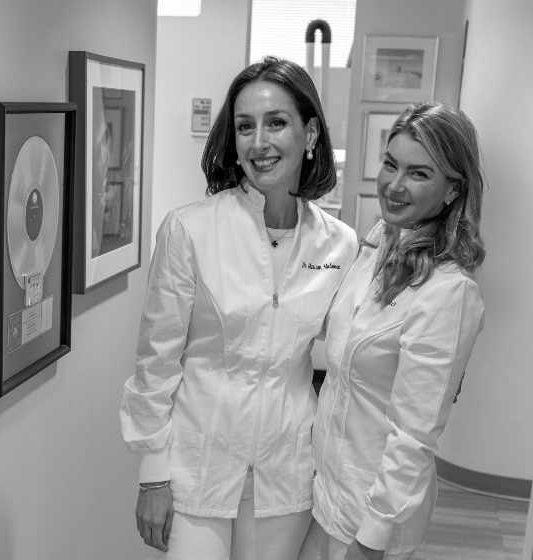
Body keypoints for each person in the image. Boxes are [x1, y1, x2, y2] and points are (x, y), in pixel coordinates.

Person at [120, 56, 358, 560]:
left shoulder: (339, 245)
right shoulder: (190, 229)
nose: (259, 143)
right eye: (245, 126)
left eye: (277, 123)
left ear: (310, 133)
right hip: (195, 466)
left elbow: (349, 354)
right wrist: (151, 475)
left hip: (286, 473)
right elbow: (155, 362)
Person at [298, 102, 486, 560]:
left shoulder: (449, 293)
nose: (394, 185)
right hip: (324, 490)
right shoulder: (377, 245)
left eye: (418, 173)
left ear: (451, 191)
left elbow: (414, 435)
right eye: (390, 164)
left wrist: (372, 540)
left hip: (372, 514)